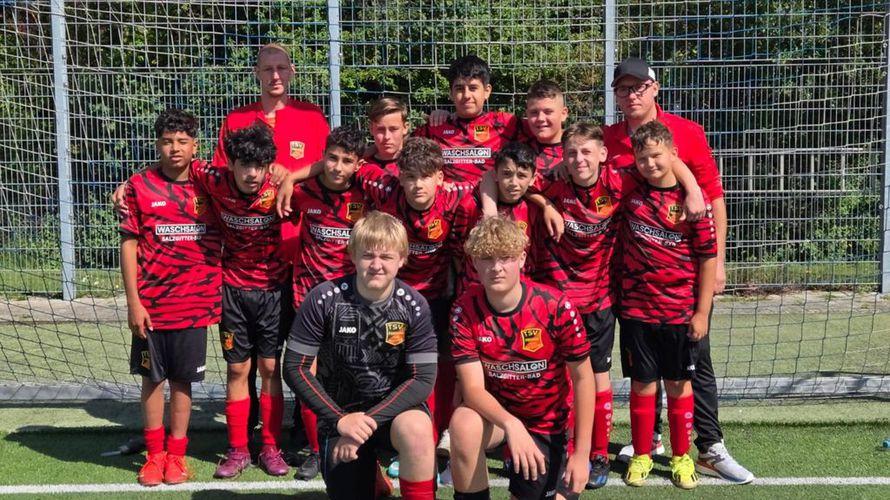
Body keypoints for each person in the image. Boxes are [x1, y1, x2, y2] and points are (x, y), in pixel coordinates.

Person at [604, 57, 753, 484]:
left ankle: (709, 447)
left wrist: (718, 262)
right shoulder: (607, 138)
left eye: (638, 87)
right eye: (622, 88)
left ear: (655, 88)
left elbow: (713, 196)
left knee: (694, 362)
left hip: (682, 282)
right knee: (642, 369)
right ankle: (649, 441)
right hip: (632, 281)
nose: (631, 95)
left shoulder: (686, 132)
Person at [283, 211, 439, 500]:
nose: (376, 265)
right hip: (340, 416)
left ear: (402, 259)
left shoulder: (414, 305)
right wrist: (339, 420)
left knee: (417, 430)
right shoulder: (323, 298)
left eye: (386, 256)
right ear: (352, 255)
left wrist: (365, 422)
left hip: (395, 414)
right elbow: (295, 368)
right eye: (368, 255)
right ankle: (371, 476)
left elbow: (423, 380)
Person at [449, 217, 595, 500]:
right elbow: (473, 389)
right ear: (474, 263)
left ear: (522, 259)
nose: (496, 267)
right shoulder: (464, 310)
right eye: (487, 258)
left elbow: (583, 378)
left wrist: (582, 453)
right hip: (497, 417)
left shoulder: (555, 306)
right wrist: (511, 424)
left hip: (546, 423)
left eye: (505, 257)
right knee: (463, 423)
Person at [119, 109, 222, 486]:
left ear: (196, 146)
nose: (174, 148)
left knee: (182, 383)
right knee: (152, 380)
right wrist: (134, 302)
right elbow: (129, 244)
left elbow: (248, 181)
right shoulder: (138, 186)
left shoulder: (212, 184)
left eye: (182, 141)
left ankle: (176, 456)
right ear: (157, 144)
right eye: (167, 141)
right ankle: (154, 456)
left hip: (194, 304)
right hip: (152, 305)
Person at [619, 121, 718, 489]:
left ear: (673, 155)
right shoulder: (629, 188)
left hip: (679, 311)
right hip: (636, 310)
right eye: (642, 158)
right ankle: (642, 455)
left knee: (678, 385)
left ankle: (681, 457)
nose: (650, 164)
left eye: (657, 156)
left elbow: (708, 258)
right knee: (643, 384)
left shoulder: (694, 203)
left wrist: (702, 312)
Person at [189, 123, 290, 479]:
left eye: (259, 166)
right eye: (244, 165)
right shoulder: (214, 179)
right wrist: (130, 185)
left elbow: (325, 173)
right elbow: (179, 163)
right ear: (231, 163)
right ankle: (237, 449)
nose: (251, 174)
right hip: (232, 290)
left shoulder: (280, 186)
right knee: (236, 370)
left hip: (273, 291)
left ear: (268, 166)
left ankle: (271, 447)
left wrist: (291, 177)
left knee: (270, 368)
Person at [414, 54, 520, 183]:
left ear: (487, 91)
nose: (466, 95)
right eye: (459, 89)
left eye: (473, 88)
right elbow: (401, 153)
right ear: (451, 93)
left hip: (490, 195)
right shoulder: (435, 127)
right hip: (448, 196)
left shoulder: (505, 124)